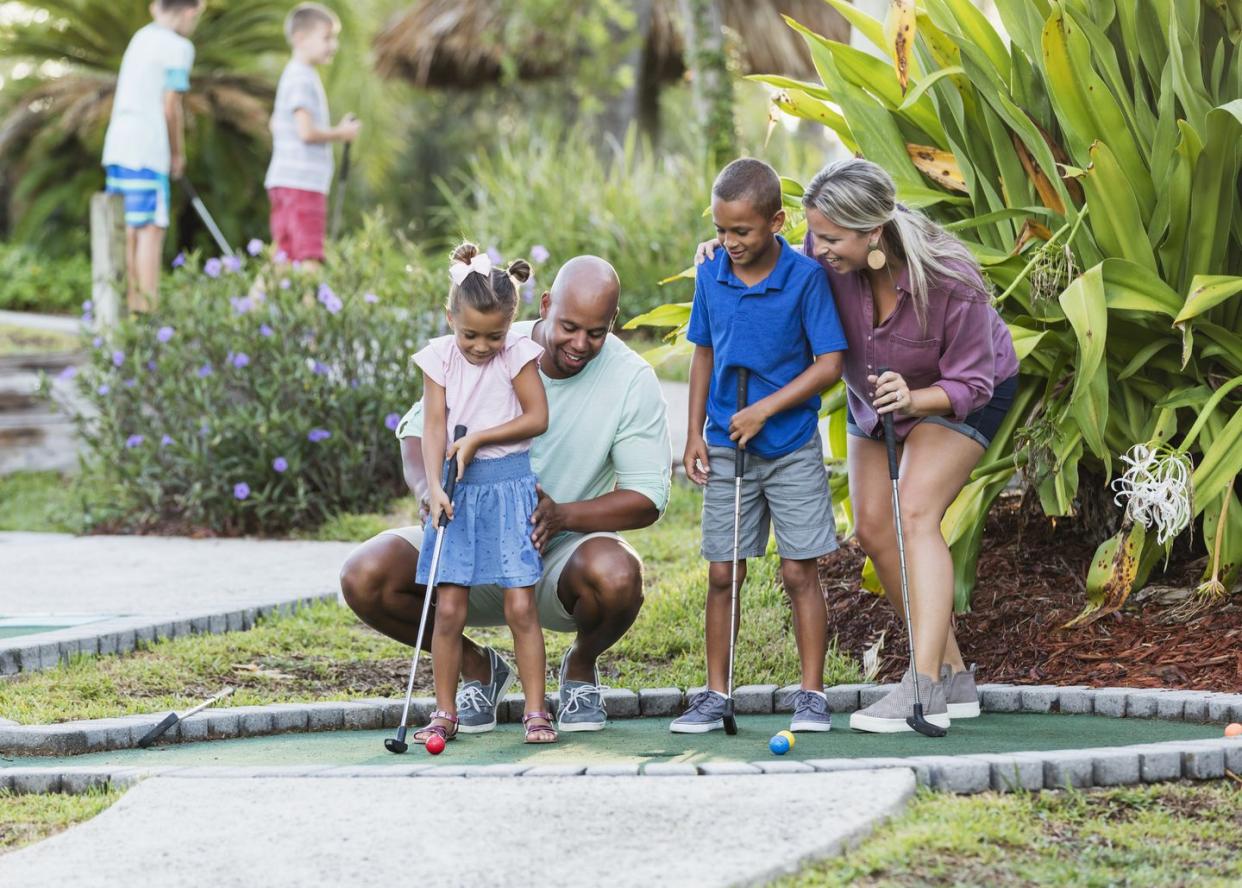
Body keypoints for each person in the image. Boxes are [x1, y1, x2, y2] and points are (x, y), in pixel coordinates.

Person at [698, 157, 1019, 733]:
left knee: (915, 511)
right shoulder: (822, 257)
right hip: (874, 397)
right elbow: (770, 264)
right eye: (812, 233)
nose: (816, 248)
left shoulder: (948, 278)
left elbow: (972, 381)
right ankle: (954, 673)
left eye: (830, 238)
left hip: (959, 393)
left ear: (873, 231)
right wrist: (720, 252)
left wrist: (918, 400)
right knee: (873, 529)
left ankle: (923, 689)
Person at [340, 256, 671, 735]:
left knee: (617, 573)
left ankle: (578, 670)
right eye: (569, 327)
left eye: (596, 333)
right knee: (364, 574)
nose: (580, 344)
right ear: (545, 306)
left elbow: (647, 498)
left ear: (612, 324)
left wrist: (560, 516)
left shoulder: (631, 379)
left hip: (554, 556)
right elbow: (420, 431)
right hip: (466, 529)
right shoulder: (486, 342)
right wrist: (429, 492)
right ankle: (478, 668)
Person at [671, 158, 847, 735]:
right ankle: (715, 693)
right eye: (721, 230)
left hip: (791, 446)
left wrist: (767, 408)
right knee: (724, 573)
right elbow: (703, 352)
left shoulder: (805, 278)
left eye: (741, 231)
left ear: (776, 221)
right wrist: (695, 431)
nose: (729, 243)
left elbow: (830, 365)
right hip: (726, 447)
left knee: (800, 572)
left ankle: (812, 696)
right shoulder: (711, 275)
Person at [410, 243, 552, 745]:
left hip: (508, 486)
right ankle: (444, 711)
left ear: (510, 326)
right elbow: (432, 426)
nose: (480, 345)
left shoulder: (516, 354)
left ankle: (536, 710)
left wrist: (477, 438)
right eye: (470, 333)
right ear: (451, 318)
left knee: (520, 607)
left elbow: (537, 417)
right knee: (448, 609)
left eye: (493, 335)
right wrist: (432, 488)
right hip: (457, 492)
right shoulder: (440, 358)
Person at [101, 0, 204, 312]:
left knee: (128, 231)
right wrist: (177, 153)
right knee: (150, 230)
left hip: (117, 145)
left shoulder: (141, 38)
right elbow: (170, 106)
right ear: (190, 11)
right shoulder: (178, 47)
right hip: (148, 147)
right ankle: (146, 314)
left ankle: (127, 313)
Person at [264, 3, 361, 268]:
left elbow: (275, 123)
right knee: (310, 256)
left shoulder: (291, 75)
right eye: (327, 37)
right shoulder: (302, 78)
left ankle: (249, 308)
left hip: (283, 180)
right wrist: (341, 133)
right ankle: (310, 311)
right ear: (300, 39)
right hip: (303, 183)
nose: (333, 45)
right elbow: (305, 132)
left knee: (283, 256)